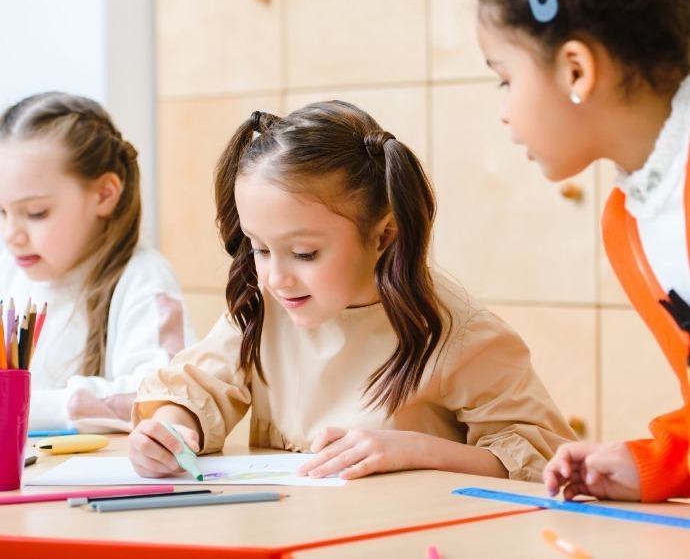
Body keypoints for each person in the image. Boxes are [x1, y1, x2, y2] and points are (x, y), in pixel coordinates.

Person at [129, 99, 575, 482]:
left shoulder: (459, 335)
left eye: (304, 253)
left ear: (382, 235)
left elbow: (542, 459)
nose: (275, 277)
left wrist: (415, 451)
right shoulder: (265, 308)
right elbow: (197, 387)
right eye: (260, 248)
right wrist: (171, 429)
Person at [476, 0, 690, 502]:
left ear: (575, 68)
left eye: (504, 78)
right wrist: (650, 461)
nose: (504, 111)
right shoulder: (632, 219)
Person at [0, 92, 195, 432]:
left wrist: (19, 405)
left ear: (104, 194)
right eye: (1, 212)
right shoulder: (10, 270)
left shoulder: (143, 279)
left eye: (35, 213)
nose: (11, 235)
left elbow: (164, 396)